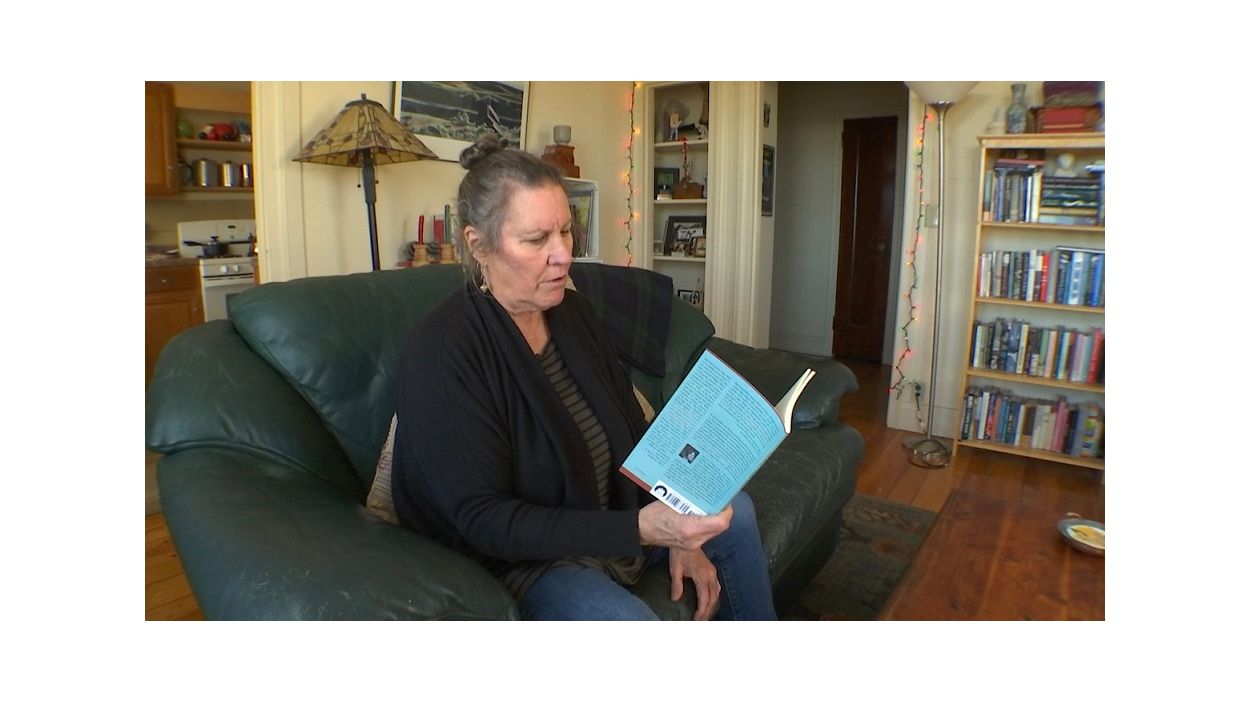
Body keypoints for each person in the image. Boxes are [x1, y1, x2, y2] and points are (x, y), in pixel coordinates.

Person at [390, 133, 776, 621]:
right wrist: (644, 529)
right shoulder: (444, 350)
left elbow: (632, 428)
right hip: (523, 560)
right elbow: (485, 521)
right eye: (536, 240)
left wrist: (682, 534)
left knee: (737, 513)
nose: (563, 255)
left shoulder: (573, 314)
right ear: (478, 244)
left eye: (565, 232)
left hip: (610, 519)